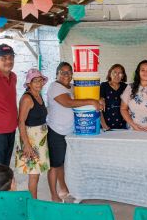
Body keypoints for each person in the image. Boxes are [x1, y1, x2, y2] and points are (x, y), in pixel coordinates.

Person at [47, 62, 104, 202]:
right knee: (55, 164)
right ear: (57, 74)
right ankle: (54, 195)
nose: (66, 75)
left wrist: (98, 100)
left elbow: (82, 100)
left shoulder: (72, 87)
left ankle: (64, 188)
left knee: (64, 162)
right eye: (63, 72)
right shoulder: (55, 87)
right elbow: (68, 103)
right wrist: (92, 101)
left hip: (70, 132)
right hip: (56, 130)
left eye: (69, 72)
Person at [15, 68, 50, 199]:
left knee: (37, 172)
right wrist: (27, 145)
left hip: (40, 138)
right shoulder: (27, 99)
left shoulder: (38, 95)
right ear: (29, 83)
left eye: (40, 80)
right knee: (34, 174)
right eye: (35, 81)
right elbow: (21, 122)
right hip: (31, 139)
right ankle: (33, 203)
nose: (39, 83)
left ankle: (33, 201)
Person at [100, 64, 128, 130]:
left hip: (122, 125)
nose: (117, 75)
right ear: (110, 74)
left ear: (123, 76)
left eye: (120, 73)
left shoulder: (126, 87)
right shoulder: (104, 86)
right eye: (114, 72)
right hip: (106, 125)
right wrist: (104, 125)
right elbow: (99, 107)